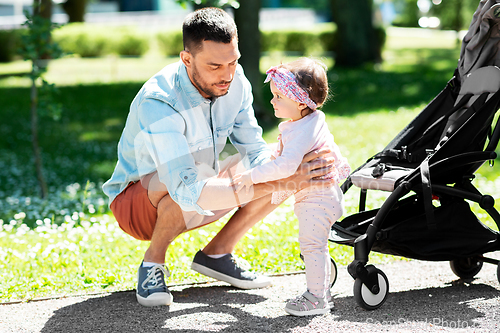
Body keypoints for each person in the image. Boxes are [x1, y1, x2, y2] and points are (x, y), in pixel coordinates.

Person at [102, 8, 335, 307]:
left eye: (233, 61)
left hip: (200, 188)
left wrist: (289, 172)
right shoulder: (158, 102)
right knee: (195, 174)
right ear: (187, 59)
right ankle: (152, 264)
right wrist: (285, 182)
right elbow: (185, 190)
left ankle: (217, 254)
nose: (227, 74)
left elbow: (254, 149)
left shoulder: (236, 81)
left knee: (274, 165)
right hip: (138, 205)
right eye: (214, 66)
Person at [233, 58, 350, 316]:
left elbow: (285, 167)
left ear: (299, 101)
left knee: (312, 246)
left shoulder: (301, 130)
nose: (272, 100)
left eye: (278, 96)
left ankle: (317, 298)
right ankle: (320, 290)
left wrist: (252, 176)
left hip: (316, 197)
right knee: (315, 246)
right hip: (322, 194)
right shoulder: (309, 121)